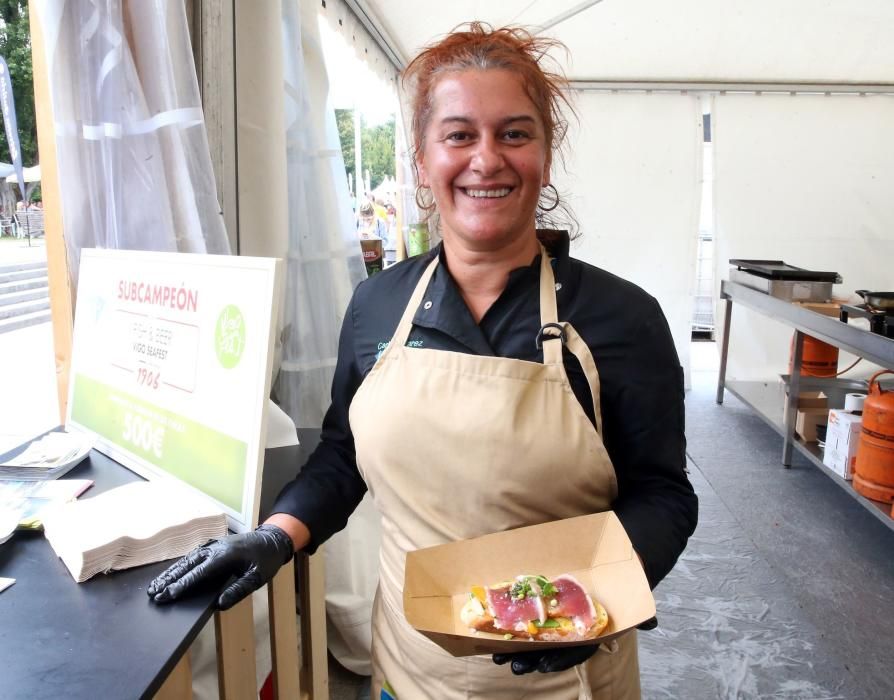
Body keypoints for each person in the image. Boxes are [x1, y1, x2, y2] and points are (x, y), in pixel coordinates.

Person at [148, 22, 697, 699]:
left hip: (569, 673)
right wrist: (276, 534)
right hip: (411, 671)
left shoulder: (621, 319)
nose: (487, 159)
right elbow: (345, 453)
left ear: (546, 157)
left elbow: (663, 496)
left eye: (515, 134)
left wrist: (599, 595)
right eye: (460, 135)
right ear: (422, 158)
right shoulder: (378, 305)